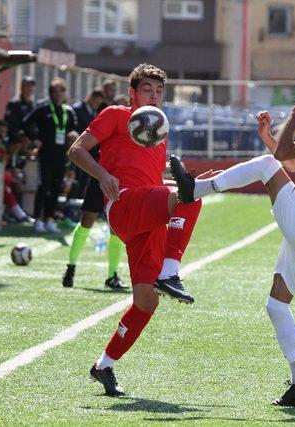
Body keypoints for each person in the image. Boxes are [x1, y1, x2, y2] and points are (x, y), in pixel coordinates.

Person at [171, 75, 295, 406]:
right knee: (276, 305)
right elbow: (292, 160)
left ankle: (194, 190)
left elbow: (279, 158)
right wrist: (268, 136)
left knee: (267, 165)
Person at [68, 63, 203, 396]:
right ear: (132, 93)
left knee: (146, 302)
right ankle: (170, 271)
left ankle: (104, 366)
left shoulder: (159, 127)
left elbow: (151, 179)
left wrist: (169, 185)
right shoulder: (115, 114)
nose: (154, 96)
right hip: (125, 204)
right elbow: (76, 150)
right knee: (192, 194)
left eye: (159, 91)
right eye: (147, 90)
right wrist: (102, 175)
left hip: (148, 212)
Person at [62, 88, 127, 290]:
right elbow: (82, 148)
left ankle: (112, 275)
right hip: (101, 179)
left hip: (121, 181)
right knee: (87, 222)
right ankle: (71, 268)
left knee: (117, 229)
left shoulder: (135, 127)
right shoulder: (108, 123)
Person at [24, 78, 78, 233]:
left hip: (61, 156)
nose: (58, 94)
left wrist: (73, 138)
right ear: (50, 93)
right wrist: (35, 139)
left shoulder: (69, 111)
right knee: (44, 186)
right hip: (46, 154)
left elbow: (74, 131)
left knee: (56, 188)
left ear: (65, 93)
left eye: (61, 91)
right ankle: (37, 219)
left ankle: (50, 219)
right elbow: (26, 122)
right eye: (54, 91)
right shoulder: (43, 109)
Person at [5, 76, 36, 140]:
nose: (30, 88)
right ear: (21, 87)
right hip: (17, 140)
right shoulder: (14, 103)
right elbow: (10, 124)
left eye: (31, 86)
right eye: (27, 85)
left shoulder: (33, 105)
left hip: (30, 139)